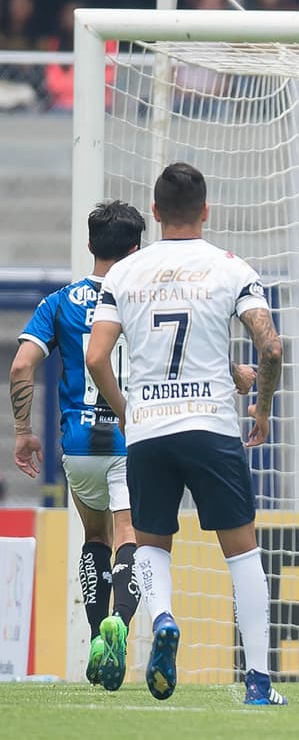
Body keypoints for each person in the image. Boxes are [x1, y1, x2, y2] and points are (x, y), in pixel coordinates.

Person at [85, 162, 286, 707]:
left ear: (153, 213)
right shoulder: (229, 267)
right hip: (212, 426)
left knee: (151, 542)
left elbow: (96, 355)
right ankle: (260, 685)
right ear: (205, 210)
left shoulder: (124, 274)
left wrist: (125, 409)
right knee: (242, 554)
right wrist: (262, 407)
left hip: (149, 429)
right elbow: (270, 348)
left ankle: (165, 619)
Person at [10, 200, 146, 691]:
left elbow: (22, 366)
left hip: (78, 444)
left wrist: (24, 430)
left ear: (89, 245)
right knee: (132, 534)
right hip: (133, 436)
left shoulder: (59, 302)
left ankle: (94, 636)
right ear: (136, 248)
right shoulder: (143, 296)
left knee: (95, 536)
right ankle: (120, 627)